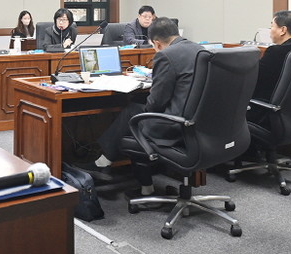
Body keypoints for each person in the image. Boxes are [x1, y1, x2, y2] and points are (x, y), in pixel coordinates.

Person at [80, 17, 203, 198]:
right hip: (198, 124)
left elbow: (156, 102)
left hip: (175, 125)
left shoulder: (166, 55)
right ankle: (143, 185)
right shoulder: (200, 50)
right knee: (136, 110)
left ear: (157, 43)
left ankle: (104, 162)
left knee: (132, 113)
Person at [246, 10, 291, 127]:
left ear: (283, 30)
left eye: (272, 26)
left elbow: (255, 80)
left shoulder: (275, 52)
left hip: (268, 114)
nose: (270, 30)